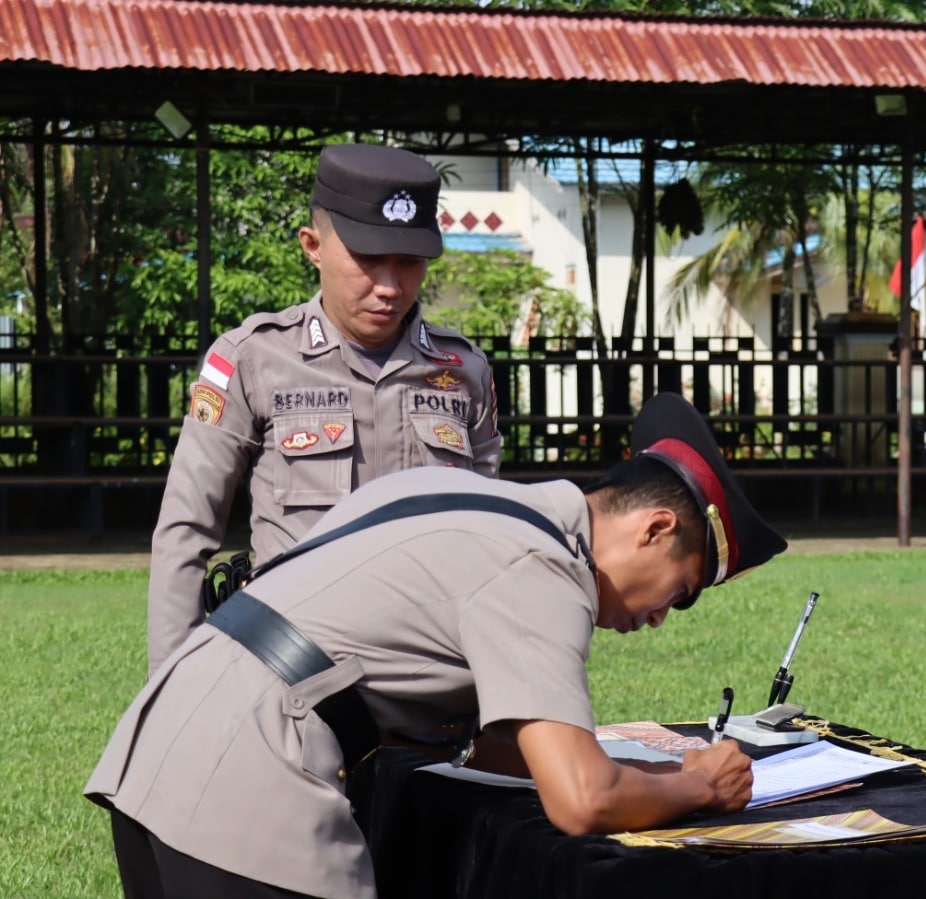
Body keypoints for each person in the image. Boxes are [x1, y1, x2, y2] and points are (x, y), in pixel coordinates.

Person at [87, 391, 787, 899]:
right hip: (250, 786)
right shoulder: (542, 565)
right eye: (683, 589)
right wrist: (699, 783)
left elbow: (487, 746)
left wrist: (617, 772)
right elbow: (580, 800)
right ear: (656, 528)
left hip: (162, 752)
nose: (663, 616)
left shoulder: (466, 496)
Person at [147, 143, 502, 674]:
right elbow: (185, 531)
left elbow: (487, 544)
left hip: (431, 676)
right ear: (312, 246)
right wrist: (171, 693)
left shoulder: (464, 373)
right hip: (291, 672)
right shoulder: (253, 360)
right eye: (367, 259)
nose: (389, 286)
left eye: (409, 263)